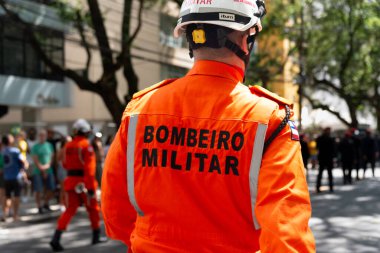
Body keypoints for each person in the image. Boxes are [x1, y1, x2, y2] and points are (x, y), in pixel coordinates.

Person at [101, 1, 315, 252]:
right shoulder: (269, 119)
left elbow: (115, 215)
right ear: (246, 39)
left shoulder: (140, 109)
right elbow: (286, 236)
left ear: (191, 37)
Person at [50, 119, 107, 252]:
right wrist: (91, 189)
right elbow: (90, 169)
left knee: (69, 210)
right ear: (85, 131)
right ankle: (96, 235)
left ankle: (56, 238)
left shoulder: (68, 146)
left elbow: (64, 164)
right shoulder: (86, 145)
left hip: (70, 181)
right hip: (84, 182)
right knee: (93, 209)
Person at [0, 134, 27, 221]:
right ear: (10, 141)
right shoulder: (15, 151)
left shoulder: (2, 152)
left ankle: (5, 214)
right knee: (16, 196)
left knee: (7, 196)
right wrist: (24, 169)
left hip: (6, 177)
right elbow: (23, 162)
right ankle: (15, 215)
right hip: (16, 177)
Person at [31, 129, 55, 214]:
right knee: (38, 190)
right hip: (38, 171)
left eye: (43, 135)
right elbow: (35, 159)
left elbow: (51, 157)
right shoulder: (35, 147)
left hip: (49, 170)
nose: (42, 137)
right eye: (40, 135)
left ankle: (46, 203)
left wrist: (47, 166)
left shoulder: (49, 145)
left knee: (51, 189)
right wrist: (42, 169)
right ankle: (39, 206)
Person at [316, 127, 335, 193]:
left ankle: (319, 187)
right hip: (326, 158)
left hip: (323, 158)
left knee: (323, 173)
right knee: (327, 173)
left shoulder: (320, 138)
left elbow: (317, 147)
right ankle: (330, 187)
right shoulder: (330, 139)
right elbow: (333, 149)